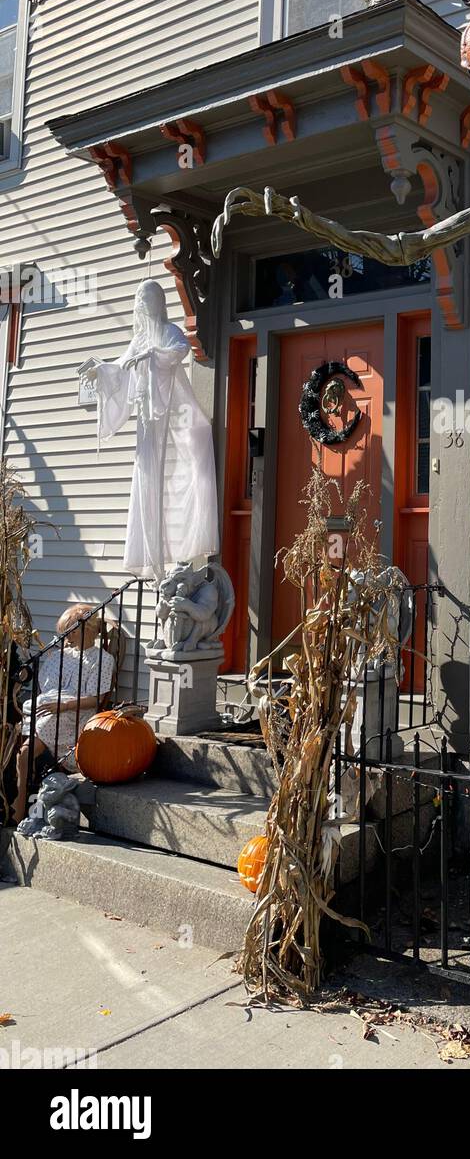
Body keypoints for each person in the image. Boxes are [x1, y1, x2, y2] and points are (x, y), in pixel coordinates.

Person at [80, 280, 219, 582]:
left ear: (160, 302)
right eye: (141, 301)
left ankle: (175, 557)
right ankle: (152, 557)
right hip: (148, 423)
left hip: (170, 414)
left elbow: (180, 349)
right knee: (147, 480)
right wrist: (100, 371)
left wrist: (154, 356)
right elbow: (120, 367)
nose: (145, 305)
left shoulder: (168, 332)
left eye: (150, 299)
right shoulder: (139, 338)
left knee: (172, 480)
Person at [13, 605, 116, 823]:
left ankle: (20, 801)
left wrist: (64, 706)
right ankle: (23, 786)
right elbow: (47, 687)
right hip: (50, 707)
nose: (66, 638)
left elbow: (95, 699)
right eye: (64, 633)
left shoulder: (102, 660)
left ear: (87, 630)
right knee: (23, 721)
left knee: (25, 752)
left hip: (74, 712)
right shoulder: (62, 655)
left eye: (71, 632)